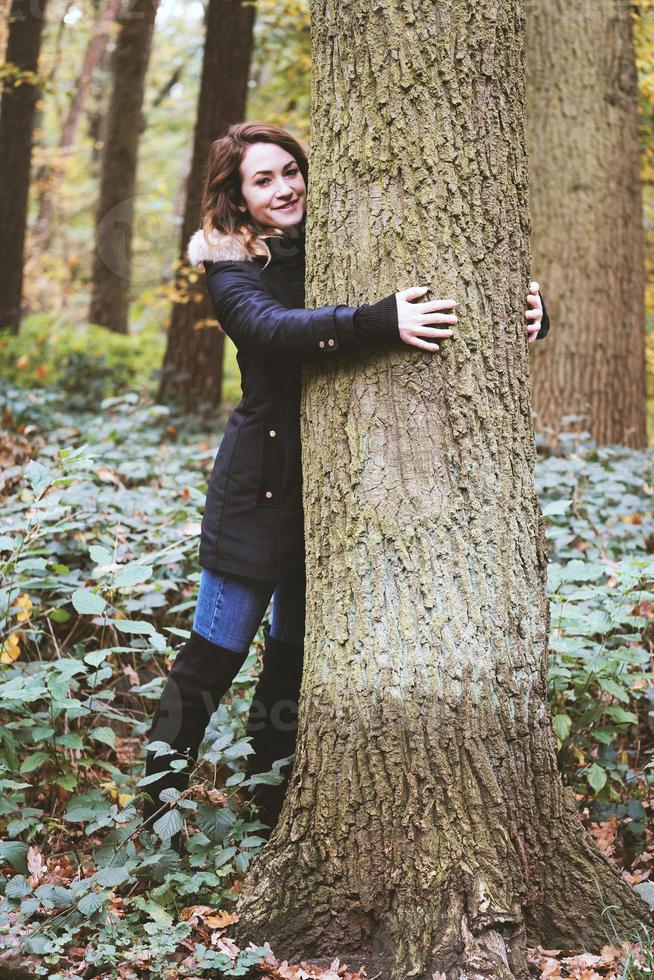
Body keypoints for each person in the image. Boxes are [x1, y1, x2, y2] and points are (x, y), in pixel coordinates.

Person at [141, 121, 550, 838]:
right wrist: (376, 321)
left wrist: (533, 316)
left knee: (292, 665)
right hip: (257, 494)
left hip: (334, 497)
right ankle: (151, 813)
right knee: (211, 659)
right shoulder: (230, 267)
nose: (283, 187)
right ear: (236, 197)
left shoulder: (344, 236)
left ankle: (268, 817)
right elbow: (271, 330)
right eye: (261, 180)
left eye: (290, 170)